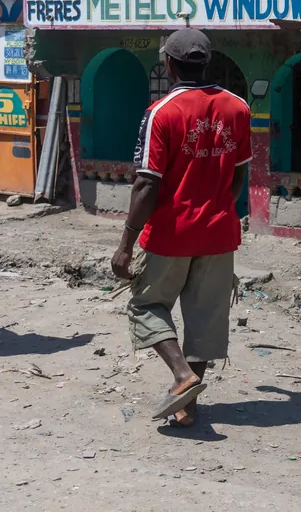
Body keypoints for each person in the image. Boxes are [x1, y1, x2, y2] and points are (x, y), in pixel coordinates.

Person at [110, 29, 251, 428]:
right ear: (206, 62)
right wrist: (219, 205)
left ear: (169, 65)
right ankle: (188, 406)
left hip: (171, 232)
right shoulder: (237, 107)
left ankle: (182, 376)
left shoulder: (163, 111)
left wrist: (125, 243)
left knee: (145, 305)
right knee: (205, 317)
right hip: (219, 231)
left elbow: (147, 182)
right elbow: (239, 176)